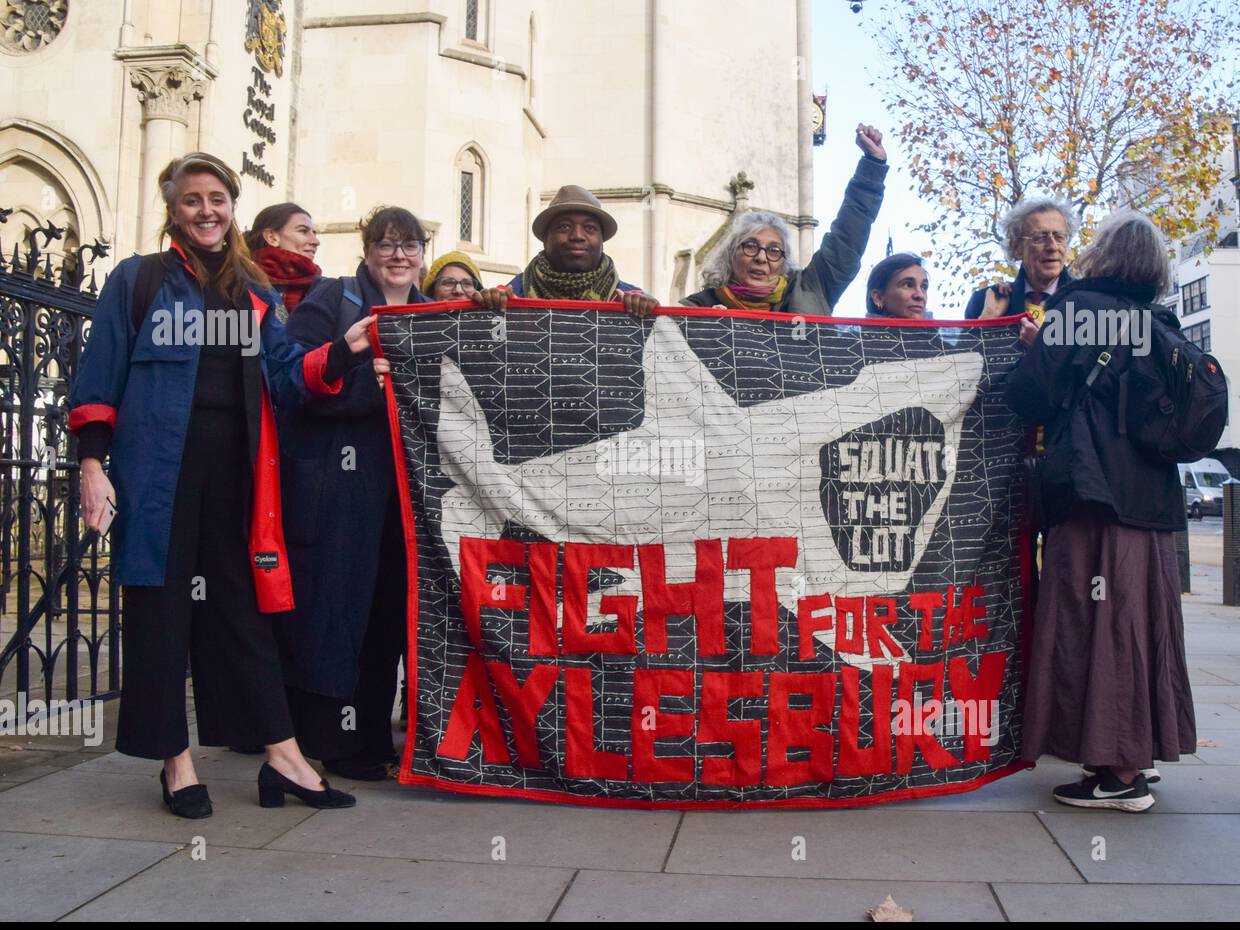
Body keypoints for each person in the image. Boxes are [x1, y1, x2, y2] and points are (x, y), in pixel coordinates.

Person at [70, 152, 374, 817]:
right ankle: (176, 765)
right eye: (192, 200)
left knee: (246, 614)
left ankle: (285, 756)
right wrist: (93, 466)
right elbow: (100, 376)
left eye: (218, 199)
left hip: (238, 479)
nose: (207, 211)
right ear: (173, 209)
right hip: (157, 475)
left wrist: (345, 349)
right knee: (160, 611)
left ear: (233, 207)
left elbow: (290, 377)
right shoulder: (138, 280)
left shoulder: (256, 292)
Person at [1004, 209, 1196, 812]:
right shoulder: (1160, 320)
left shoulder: (1079, 309)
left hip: (1093, 497)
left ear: (1104, 255)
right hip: (1152, 505)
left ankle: (1117, 774)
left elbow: (1027, 394)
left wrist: (1037, 347)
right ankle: (1137, 750)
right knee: (1141, 625)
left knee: (1094, 625)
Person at [275, 206, 430, 781]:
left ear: (422, 253)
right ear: (366, 252)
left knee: (391, 618)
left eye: (409, 244)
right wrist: (367, 380)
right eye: (385, 244)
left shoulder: (432, 311)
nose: (397, 255)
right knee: (338, 615)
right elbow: (290, 381)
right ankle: (333, 743)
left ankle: (370, 740)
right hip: (339, 493)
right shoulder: (332, 301)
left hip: (407, 498)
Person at [683, 124, 888, 314]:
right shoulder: (699, 307)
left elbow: (847, 239)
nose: (761, 258)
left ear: (784, 263)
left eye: (773, 251)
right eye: (750, 246)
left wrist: (873, 165)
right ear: (730, 255)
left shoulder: (813, 289)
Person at [471, 186, 658, 315]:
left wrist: (652, 315)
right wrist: (487, 306)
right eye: (564, 227)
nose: (577, 235)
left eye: (590, 228)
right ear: (545, 239)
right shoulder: (510, 296)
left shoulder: (631, 300)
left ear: (602, 240)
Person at [965, 197, 1076, 321]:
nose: (1052, 247)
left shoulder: (1090, 301)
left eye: (1059, 237)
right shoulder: (983, 302)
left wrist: (1038, 340)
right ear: (1016, 248)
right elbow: (970, 341)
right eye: (1039, 237)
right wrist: (988, 319)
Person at [245, 202, 322, 314]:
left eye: (314, 233)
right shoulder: (240, 285)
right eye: (303, 231)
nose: (316, 241)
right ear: (272, 238)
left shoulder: (323, 289)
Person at [864, 252, 929, 318]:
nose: (920, 295)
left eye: (924, 287)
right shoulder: (854, 328)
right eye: (908, 285)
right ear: (878, 297)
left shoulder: (938, 328)